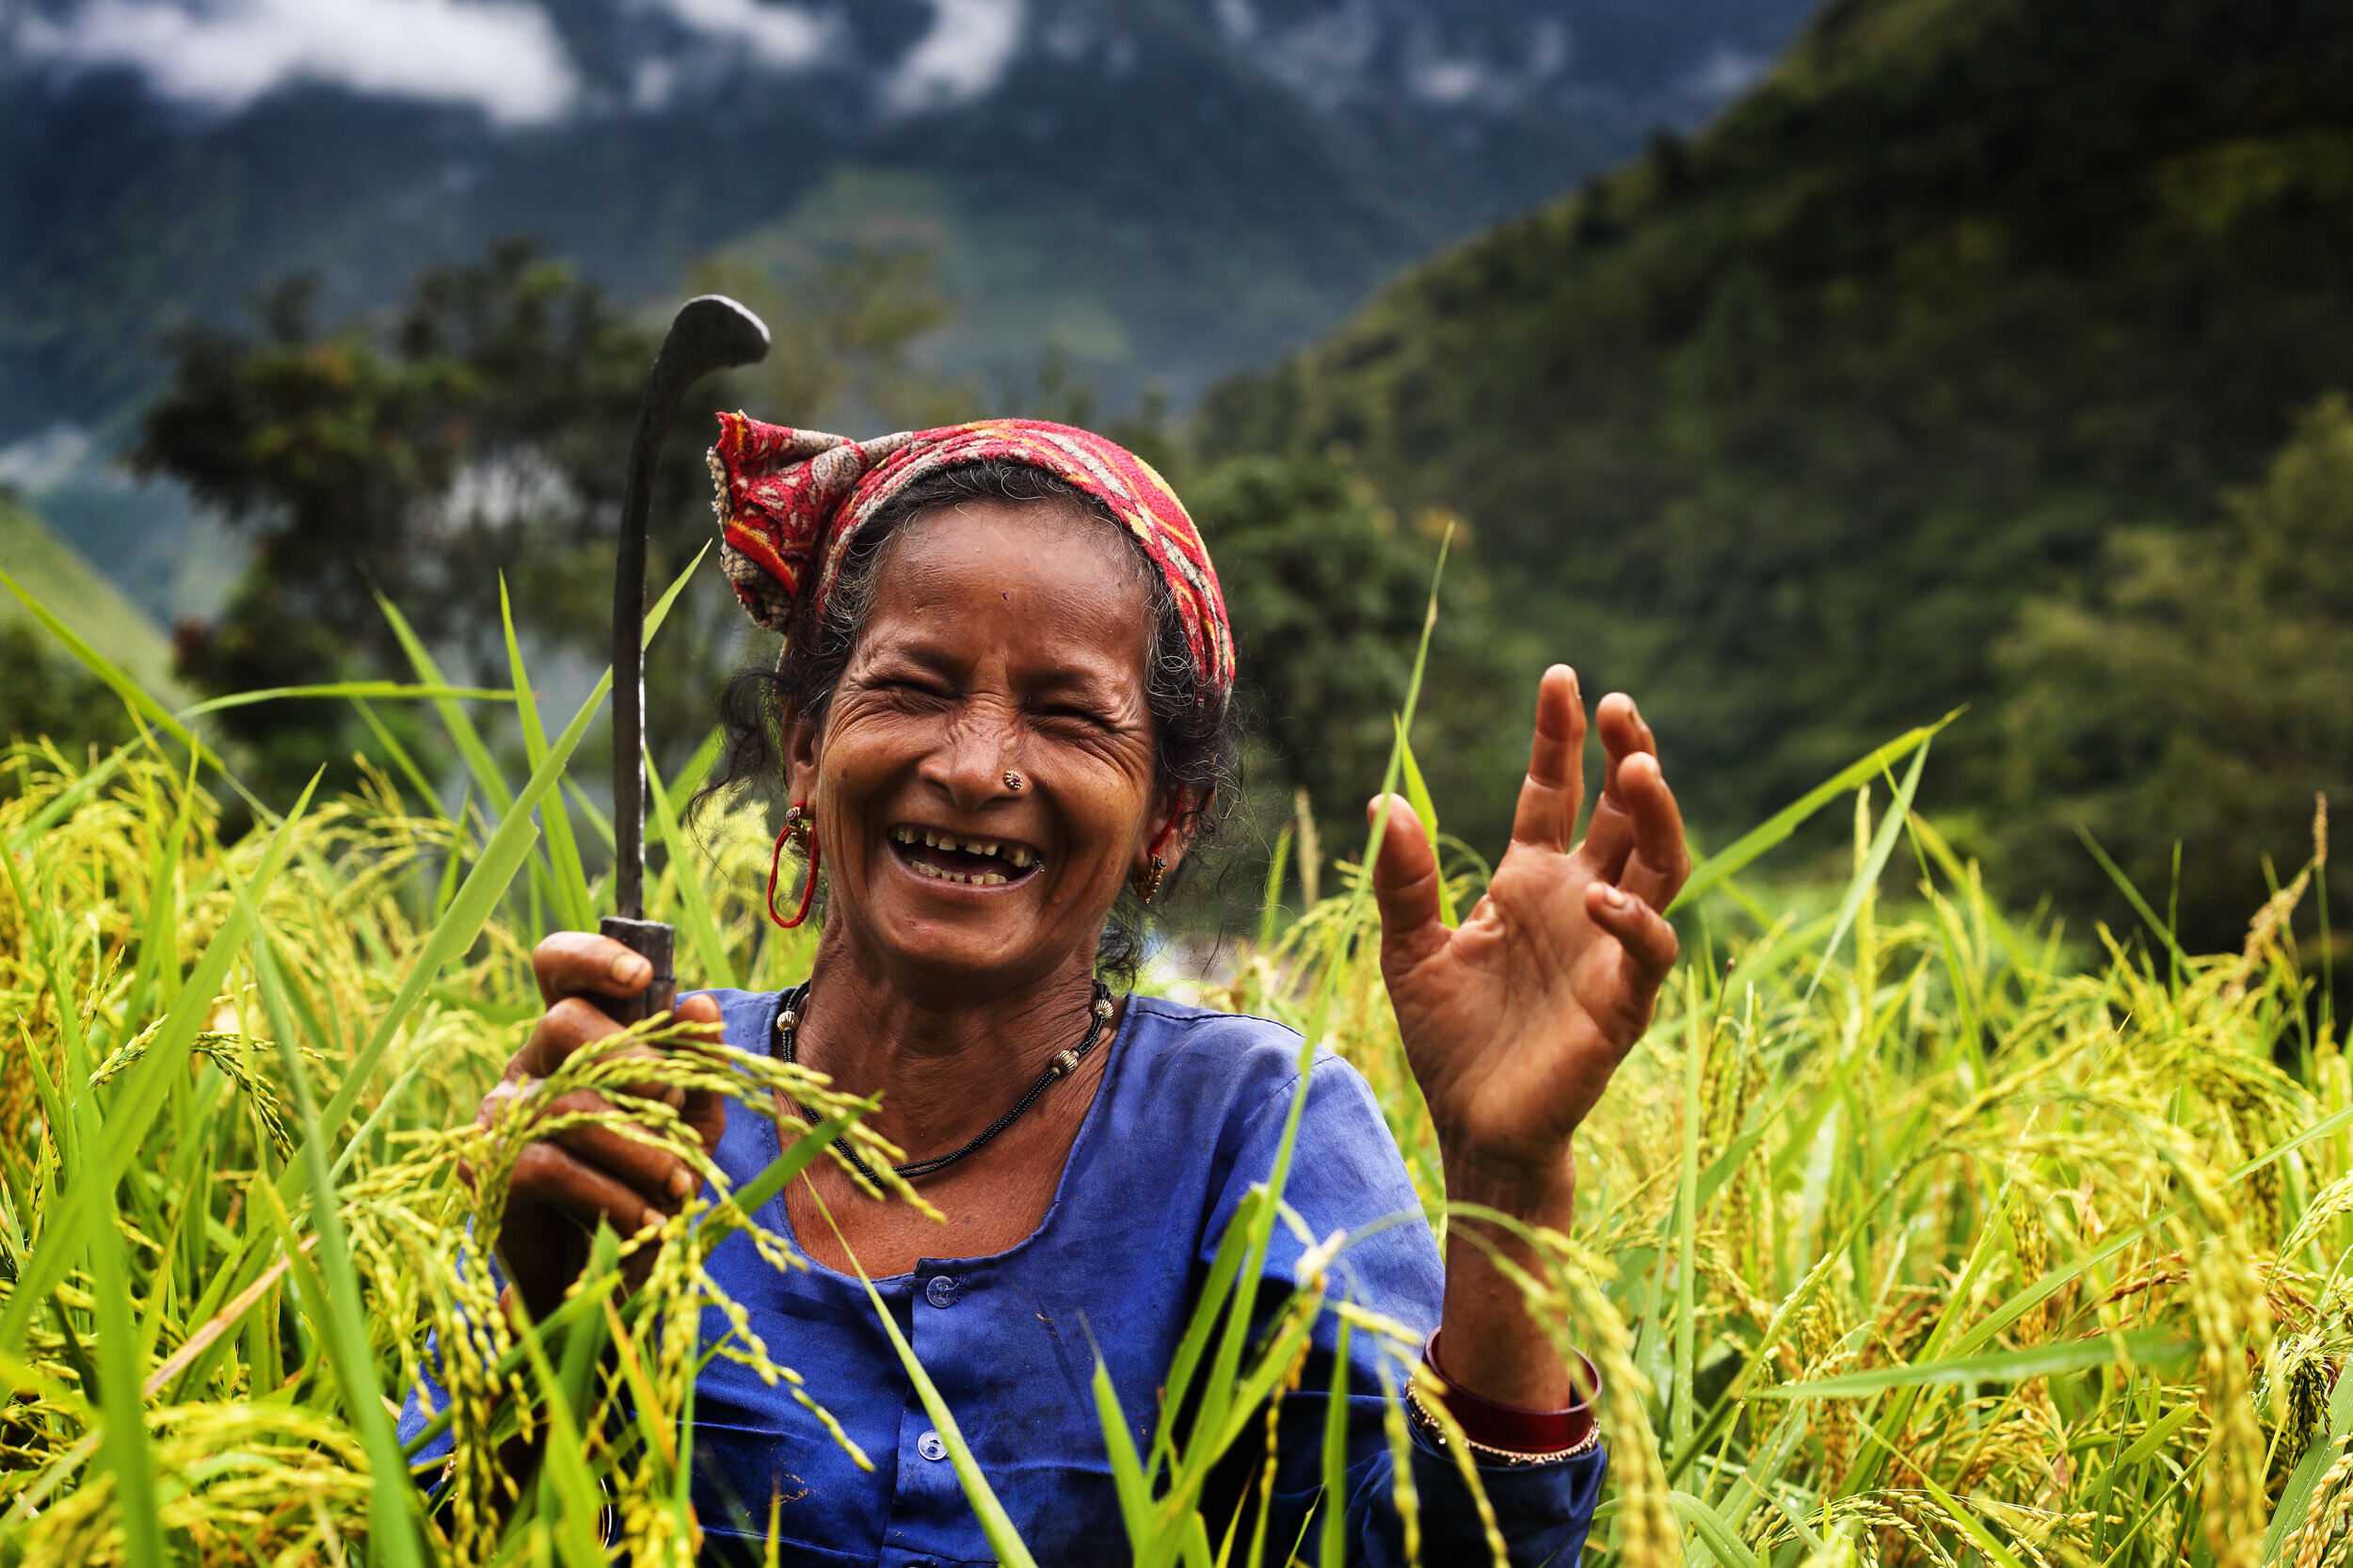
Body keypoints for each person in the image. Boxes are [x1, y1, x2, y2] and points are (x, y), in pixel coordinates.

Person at [404, 416, 1690, 1564]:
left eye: (1070, 715)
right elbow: (413, 1529)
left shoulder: (1253, 1125)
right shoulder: (636, 1101)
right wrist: (549, 1318)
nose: (975, 767)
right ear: (805, 749)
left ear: (1167, 818)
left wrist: (1509, 1183)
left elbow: (1430, 1548)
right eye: (912, 688)